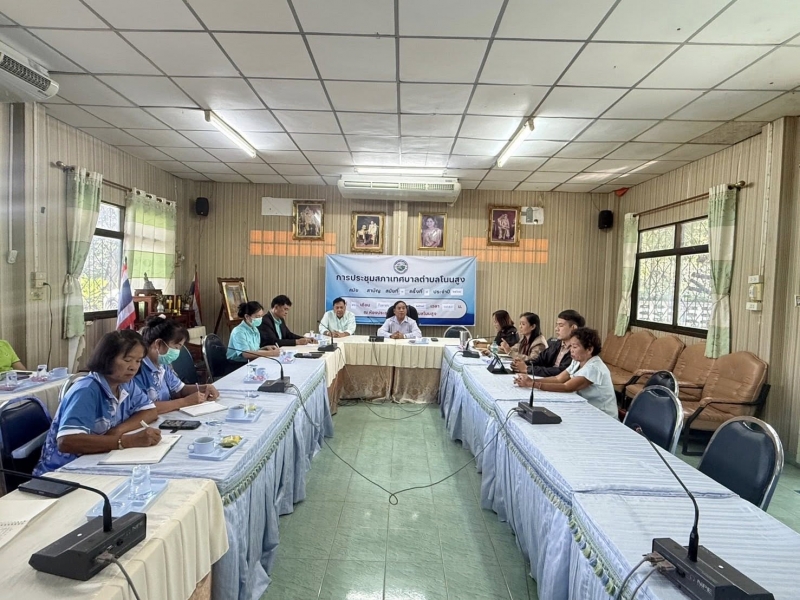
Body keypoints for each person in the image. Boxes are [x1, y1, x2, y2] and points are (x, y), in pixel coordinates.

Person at [33, 330, 161, 475]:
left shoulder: (126, 384)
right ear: (107, 358)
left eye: (138, 361)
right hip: (63, 471)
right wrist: (126, 441)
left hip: (98, 458)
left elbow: (150, 411)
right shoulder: (86, 390)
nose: (133, 367)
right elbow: (67, 441)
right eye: (127, 360)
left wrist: (118, 431)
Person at [514, 327, 617, 419]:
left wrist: (532, 384)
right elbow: (558, 379)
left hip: (603, 415)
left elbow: (567, 387)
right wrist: (531, 380)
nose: (571, 350)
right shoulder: (577, 361)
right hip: (587, 409)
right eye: (570, 346)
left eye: (575, 347)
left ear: (589, 349)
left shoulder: (594, 368)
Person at [134, 315, 220, 414]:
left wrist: (204, 388)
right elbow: (145, 407)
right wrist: (184, 402)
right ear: (158, 344)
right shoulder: (137, 369)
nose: (177, 352)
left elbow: (179, 390)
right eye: (176, 347)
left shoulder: (162, 365)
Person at [512, 309, 584, 377]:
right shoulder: (557, 344)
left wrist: (528, 369)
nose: (556, 329)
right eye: (556, 325)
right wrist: (522, 364)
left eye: (561, 325)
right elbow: (540, 360)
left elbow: (562, 372)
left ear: (573, 328)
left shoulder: (578, 349)